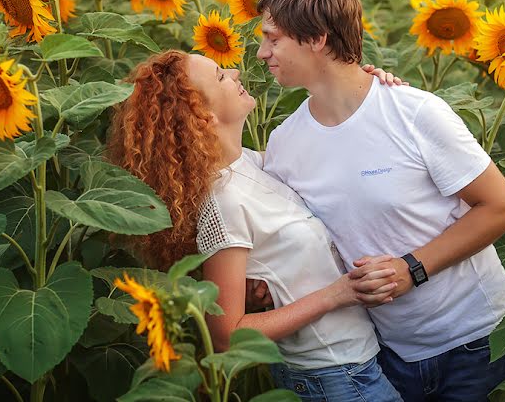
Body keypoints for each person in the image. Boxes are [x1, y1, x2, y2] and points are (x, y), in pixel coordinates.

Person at [255, 0, 505, 402]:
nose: (263, 53)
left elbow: (501, 207)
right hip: (383, 352)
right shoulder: (285, 144)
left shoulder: (414, 112)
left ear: (317, 37)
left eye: (273, 38)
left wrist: (410, 269)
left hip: (474, 340)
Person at [107, 49, 404, 401]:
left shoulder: (252, 164)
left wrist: (365, 89)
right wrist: (336, 294)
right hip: (332, 377)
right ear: (202, 116)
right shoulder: (224, 203)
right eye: (220, 76)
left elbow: (331, 147)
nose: (234, 72)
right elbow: (228, 335)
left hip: (358, 362)